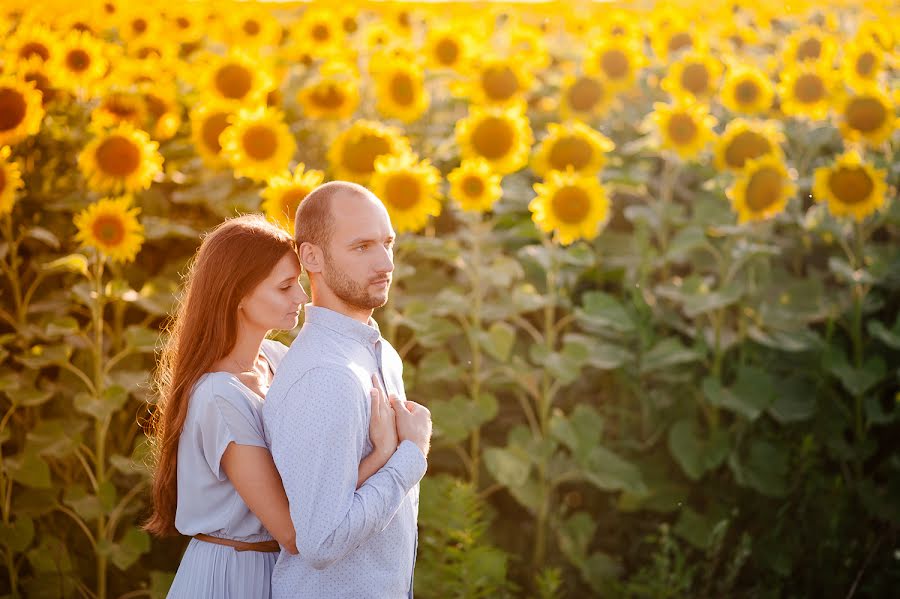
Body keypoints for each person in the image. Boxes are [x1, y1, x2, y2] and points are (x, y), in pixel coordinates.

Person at [144, 214, 400, 599]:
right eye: (284, 287)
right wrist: (385, 455)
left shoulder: (279, 360)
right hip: (233, 575)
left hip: (278, 572)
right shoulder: (219, 397)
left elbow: (312, 486)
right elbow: (296, 529)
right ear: (238, 296)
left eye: (297, 282)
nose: (301, 296)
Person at [263, 181, 433, 599]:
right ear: (311, 257)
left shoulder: (381, 354)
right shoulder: (325, 374)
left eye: (387, 243)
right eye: (362, 247)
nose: (385, 262)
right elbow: (322, 541)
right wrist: (411, 456)